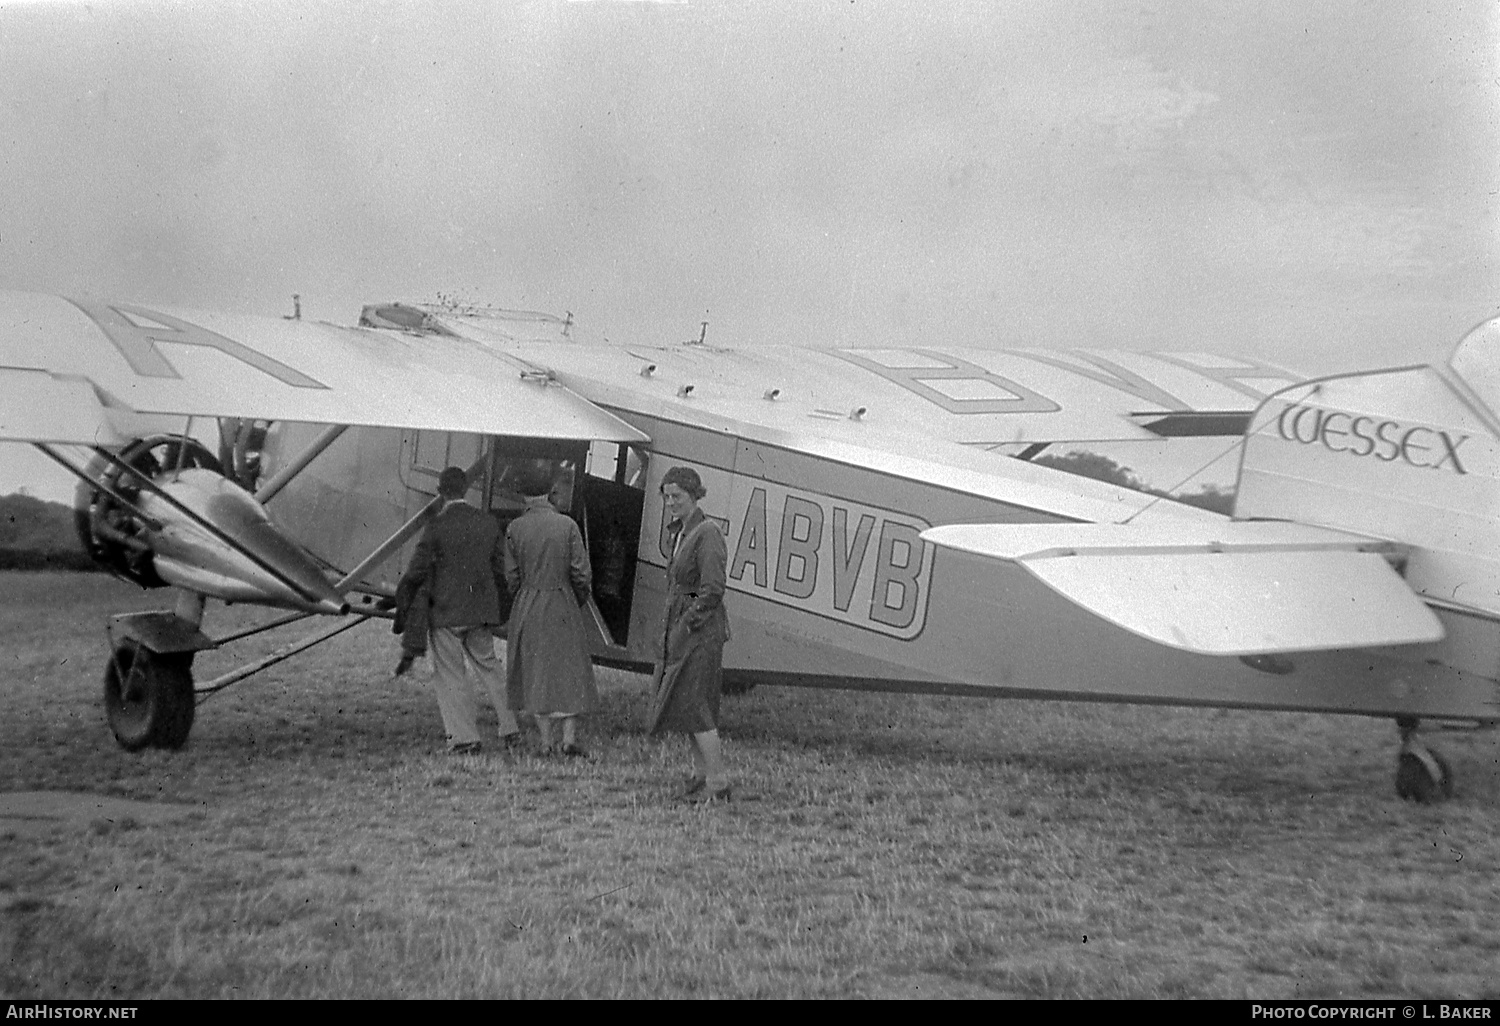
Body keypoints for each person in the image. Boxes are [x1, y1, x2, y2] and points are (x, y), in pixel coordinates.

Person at [397, 466, 522, 754]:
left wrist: (402, 596)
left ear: (441, 492)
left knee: (451, 675)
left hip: (446, 612)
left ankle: (464, 738)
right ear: (466, 489)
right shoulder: (488, 523)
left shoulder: (437, 526)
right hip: (480, 611)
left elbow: (417, 570)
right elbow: (499, 568)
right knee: (491, 669)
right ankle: (510, 726)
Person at [648, 466, 731, 802]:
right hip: (682, 626)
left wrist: (687, 623)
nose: (671, 503)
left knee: (697, 706)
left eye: (677, 497)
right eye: (667, 497)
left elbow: (712, 589)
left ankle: (718, 784)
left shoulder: (707, 532)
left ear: (695, 495)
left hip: (700, 630)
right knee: (686, 704)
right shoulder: (682, 531)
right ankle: (700, 775)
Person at [503, 464, 599, 756]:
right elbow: (582, 573)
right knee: (570, 669)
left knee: (535, 671)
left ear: (524, 495)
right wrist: (573, 598)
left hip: (528, 601)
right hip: (562, 599)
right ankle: (569, 740)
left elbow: (511, 576)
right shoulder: (567, 525)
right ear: (550, 492)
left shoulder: (515, 528)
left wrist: (523, 595)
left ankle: (545, 743)